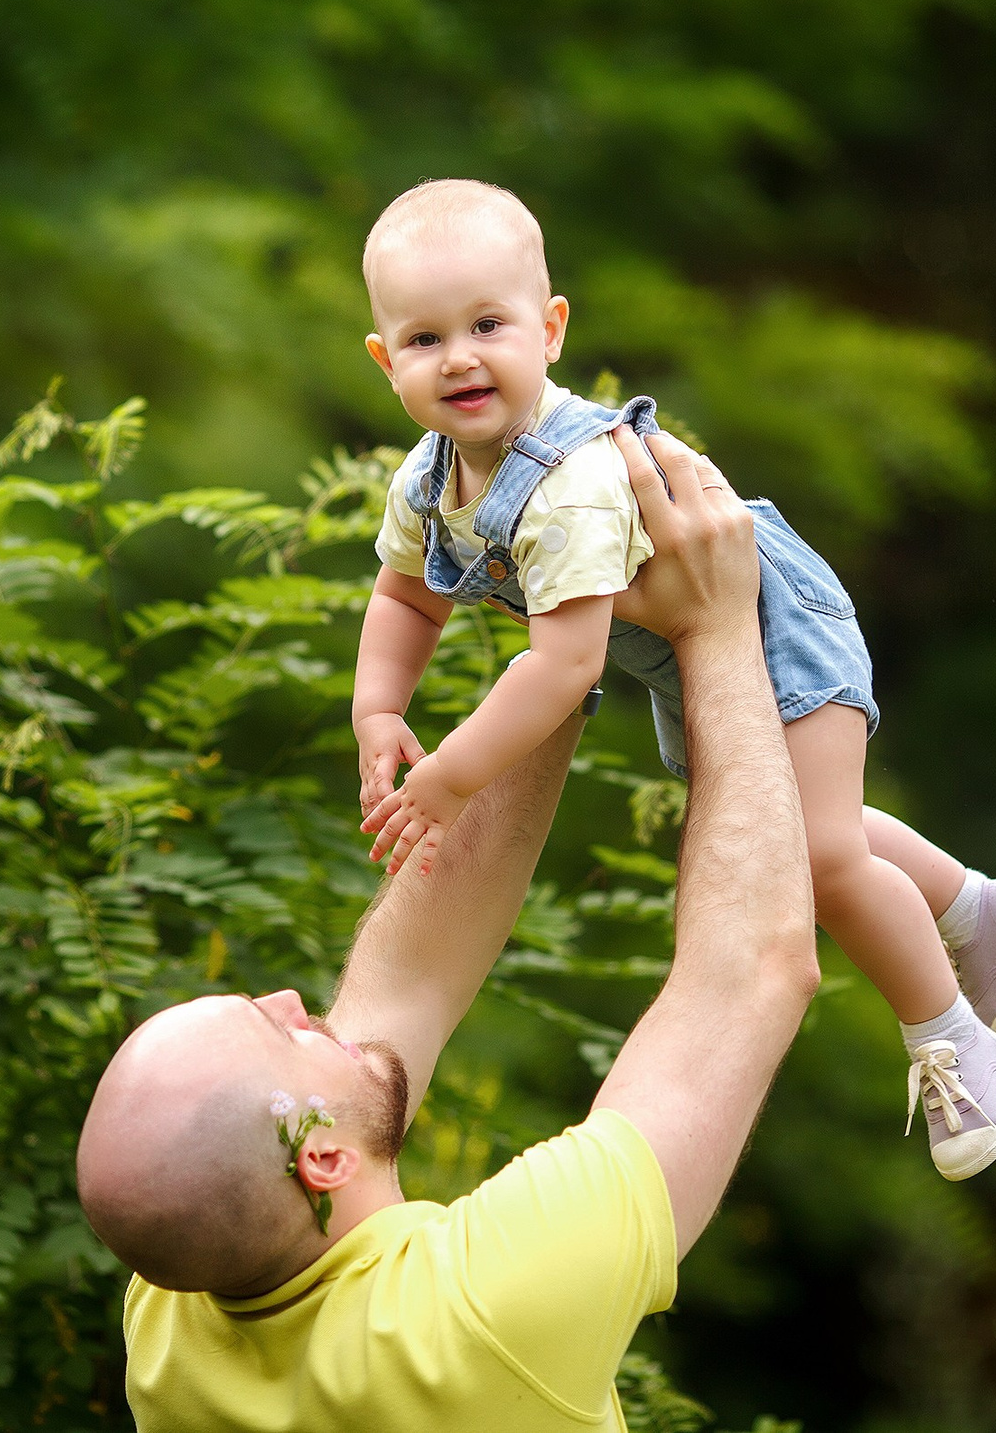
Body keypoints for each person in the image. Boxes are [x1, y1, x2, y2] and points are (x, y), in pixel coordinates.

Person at [78, 425, 816, 1431]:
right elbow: (751, 974)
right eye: (280, 1029)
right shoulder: (477, 1317)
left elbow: (407, 981)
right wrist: (719, 627)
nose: (302, 1002)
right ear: (322, 1162)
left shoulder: (177, 1321)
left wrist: (559, 653)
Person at [350, 178, 996, 1178]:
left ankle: (951, 1032)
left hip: (766, 619)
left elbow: (563, 667)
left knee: (809, 855)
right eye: (424, 340)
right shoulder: (427, 479)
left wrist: (452, 775)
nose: (458, 356)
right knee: (815, 829)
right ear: (385, 361)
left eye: (488, 325)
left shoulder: (568, 482)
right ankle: (976, 909)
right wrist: (376, 709)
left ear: (549, 330)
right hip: (684, 648)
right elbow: (404, 597)